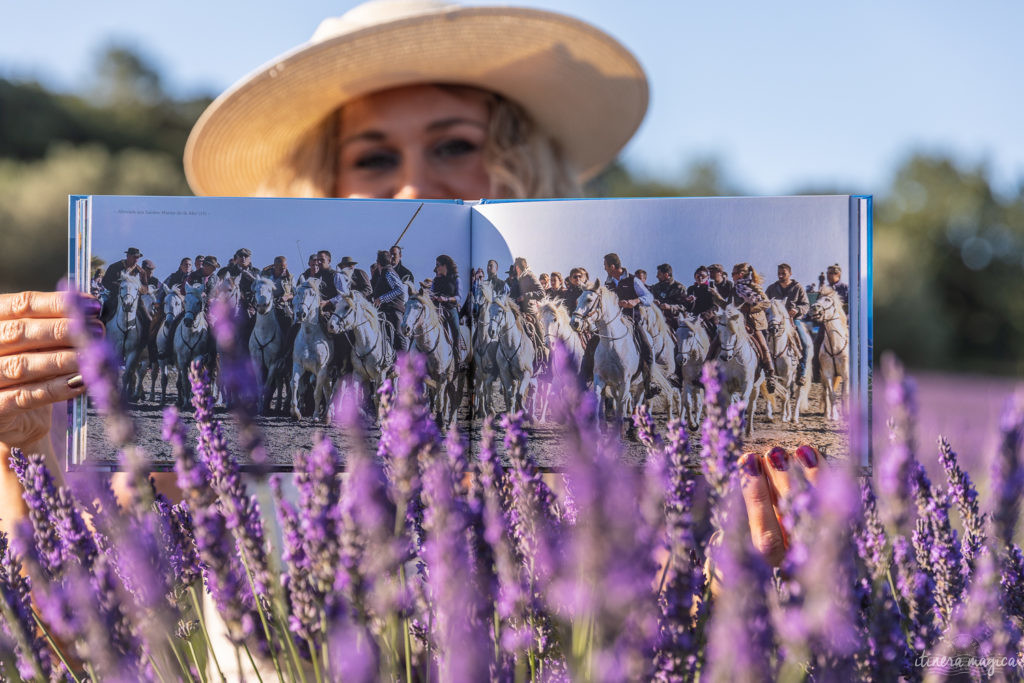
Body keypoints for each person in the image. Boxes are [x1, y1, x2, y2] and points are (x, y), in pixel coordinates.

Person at [710, 262, 776, 393]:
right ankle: (706, 370)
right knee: (716, 341)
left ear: (740, 274)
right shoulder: (735, 289)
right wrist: (716, 297)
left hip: (753, 323)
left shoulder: (754, 287)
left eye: (733, 274)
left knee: (763, 346)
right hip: (736, 323)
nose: (731, 276)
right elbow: (729, 307)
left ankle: (770, 375)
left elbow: (766, 303)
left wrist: (750, 308)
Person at [766, 263, 812, 386]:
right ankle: (765, 372)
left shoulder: (798, 287)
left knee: (805, 343)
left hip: (793, 320)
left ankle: (802, 372)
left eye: (783, 273)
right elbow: (764, 303)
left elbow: (806, 305)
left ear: (790, 274)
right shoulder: (771, 288)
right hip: (775, 321)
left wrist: (797, 310)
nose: (780, 275)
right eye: (779, 273)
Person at [428, 254, 463, 365]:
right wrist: (432, 297)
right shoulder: (435, 280)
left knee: (456, 330)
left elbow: (458, 297)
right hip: (437, 309)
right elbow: (430, 293)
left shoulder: (456, 279)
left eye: (438, 265)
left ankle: (458, 359)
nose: (436, 268)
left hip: (450, 308)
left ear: (445, 266)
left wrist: (446, 299)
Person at [371, 250, 408, 352]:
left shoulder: (388, 273)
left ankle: (403, 364)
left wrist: (381, 299)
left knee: (399, 337)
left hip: (394, 310)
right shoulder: (384, 273)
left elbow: (399, 289)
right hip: (386, 310)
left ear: (378, 262)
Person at [99, 247, 144, 321]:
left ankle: (148, 331)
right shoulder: (114, 267)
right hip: (116, 296)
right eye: (134, 257)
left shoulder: (141, 272)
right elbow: (105, 281)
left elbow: (145, 288)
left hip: (135, 298)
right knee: (106, 309)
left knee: (146, 316)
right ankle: (101, 329)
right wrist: (118, 287)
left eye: (138, 257)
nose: (136, 260)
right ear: (128, 256)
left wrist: (138, 288)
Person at [650, 263, 687, 331]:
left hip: (674, 319)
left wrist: (670, 307)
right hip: (657, 316)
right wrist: (653, 302)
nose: (657, 276)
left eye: (659, 274)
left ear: (666, 275)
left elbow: (684, 306)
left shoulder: (679, 288)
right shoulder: (656, 287)